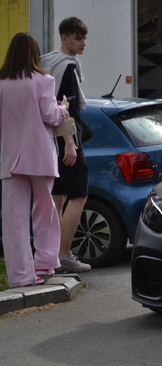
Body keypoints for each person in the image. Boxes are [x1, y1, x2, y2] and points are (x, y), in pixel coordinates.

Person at [0, 32, 69, 287]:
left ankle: (20, 277)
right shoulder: (44, 80)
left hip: (10, 158)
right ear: (34, 53)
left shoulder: (2, 83)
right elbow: (50, 116)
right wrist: (64, 109)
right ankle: (45, 263)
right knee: (45, 210)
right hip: (38, 155)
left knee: (14, 219)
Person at [40, 16, 91, 273]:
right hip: (66, 140)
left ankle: (52, 256)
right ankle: (64, 255)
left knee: (58, 196)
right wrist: (70, 142)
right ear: (64, 38)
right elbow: (64, 107)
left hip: (49, 140)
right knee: (79, 195)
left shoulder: (47, 62)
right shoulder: (68, 66)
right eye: (78, 38)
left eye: (84, 38)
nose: (83, 44)